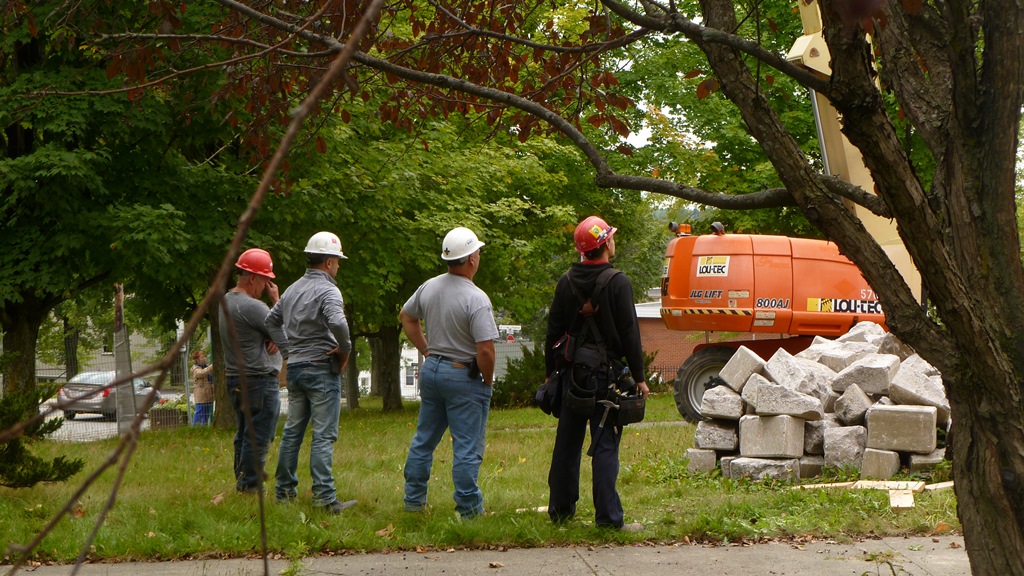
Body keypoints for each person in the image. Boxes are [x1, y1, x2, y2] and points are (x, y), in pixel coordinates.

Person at [544, 216, 650, 531]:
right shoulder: (618, 282)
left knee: (567, 443)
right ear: (604, 244)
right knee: (604, 445)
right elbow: (630, 333)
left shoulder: (566, 282)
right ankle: (608, 520)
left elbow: (552, 334)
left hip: (572, 376)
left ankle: (560, 512)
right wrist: (640, 377)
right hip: (606, 378)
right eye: (611, 238)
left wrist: (551, 374)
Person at [400, 227, 499, 519]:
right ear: (470, 259)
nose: (479, 257)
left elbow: (407, 317)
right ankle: (469, 510)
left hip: (432, 371)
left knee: (424, 439)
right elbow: (485, 351)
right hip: (463, 376)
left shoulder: (428, 287)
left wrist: (427, 350)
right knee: (467, 447)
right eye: (478, 253)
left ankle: (413, 502)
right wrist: (488, 381)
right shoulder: (477, 298)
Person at [266, 231, 356, 514]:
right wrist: (345, 349)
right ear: (329, 262)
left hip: (295, 369)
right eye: (338, 261)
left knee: (292, 432)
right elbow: (338, 324)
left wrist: (288, 350)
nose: (339, 266)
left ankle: (284, 493)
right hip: (320, 368)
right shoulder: (329, 290)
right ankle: (325, 498)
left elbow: (271, 321)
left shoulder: (292, 289)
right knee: (323, 436)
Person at [218, 247, 283, 493]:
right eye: (266, 280)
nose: (266, 286)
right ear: (253, 278)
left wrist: (272, 332)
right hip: (259, 381)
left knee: (244, 433)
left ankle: (242, 481)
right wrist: (276, 301)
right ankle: (250, 486)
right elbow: (286, 334)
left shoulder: (226, 300)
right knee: (259, 437)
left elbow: (272, 331)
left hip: (236, 378)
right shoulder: (253, 307)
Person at [189, 349, 215, 426]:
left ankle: (203, 428)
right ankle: (195, 428)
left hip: (209, 395)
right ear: (197, 359)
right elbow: (201, 373)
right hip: (201, 396)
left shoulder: (206, 367)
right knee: (199, 413)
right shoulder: (195, 368)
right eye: (202, 357)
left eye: (204, 357)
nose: (204, 358)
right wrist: (211, 367)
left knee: (206, 415)